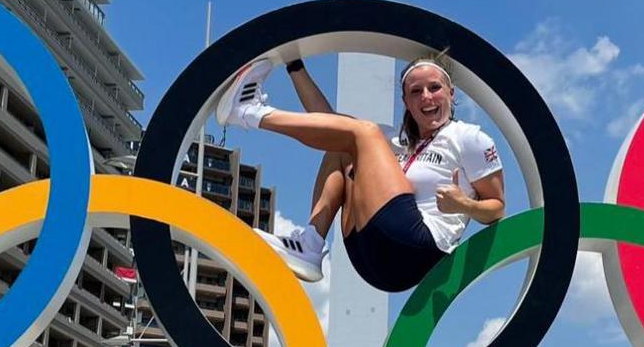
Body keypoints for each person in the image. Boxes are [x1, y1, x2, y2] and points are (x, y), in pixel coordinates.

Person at [216, 56, 505, 293]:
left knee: (360, 132)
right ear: (406, 101)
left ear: (451, 93)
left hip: (417, 249)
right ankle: (311, 244)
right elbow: (326, 122)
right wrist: (294, 65)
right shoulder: (393, 141)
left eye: (434, 88)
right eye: (416, 91)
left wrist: (463, 205)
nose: (426, 97)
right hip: (369, 255)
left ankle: (248, 113)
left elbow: (497, 208)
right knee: (341, 141)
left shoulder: (469, 138)